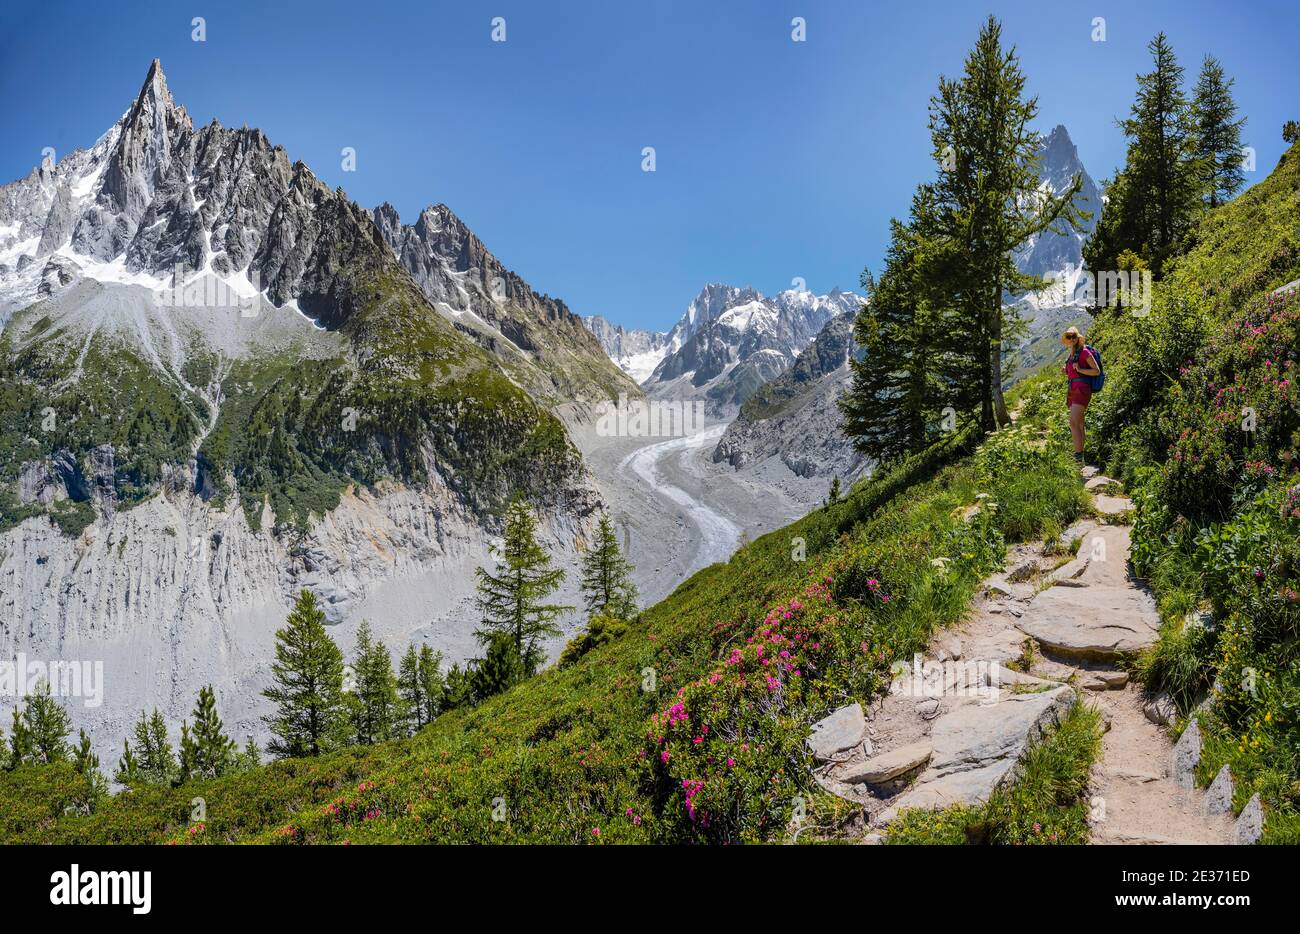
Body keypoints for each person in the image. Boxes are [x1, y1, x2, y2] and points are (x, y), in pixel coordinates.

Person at [1062, 327, 1099, 465]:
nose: (1071, 339)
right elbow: (1073, 372)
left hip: (1082, 390)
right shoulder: (1072, 354)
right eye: (1069, 336)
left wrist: (1081, 369)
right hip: (1072, 391)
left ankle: (1078, 458)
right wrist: (1066, 371)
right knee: (1079, 424)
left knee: (1073, 422)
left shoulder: (1084, 352)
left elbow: (1096, 371)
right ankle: (1083, 456)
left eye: (1074, 336)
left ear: (1078, 338)